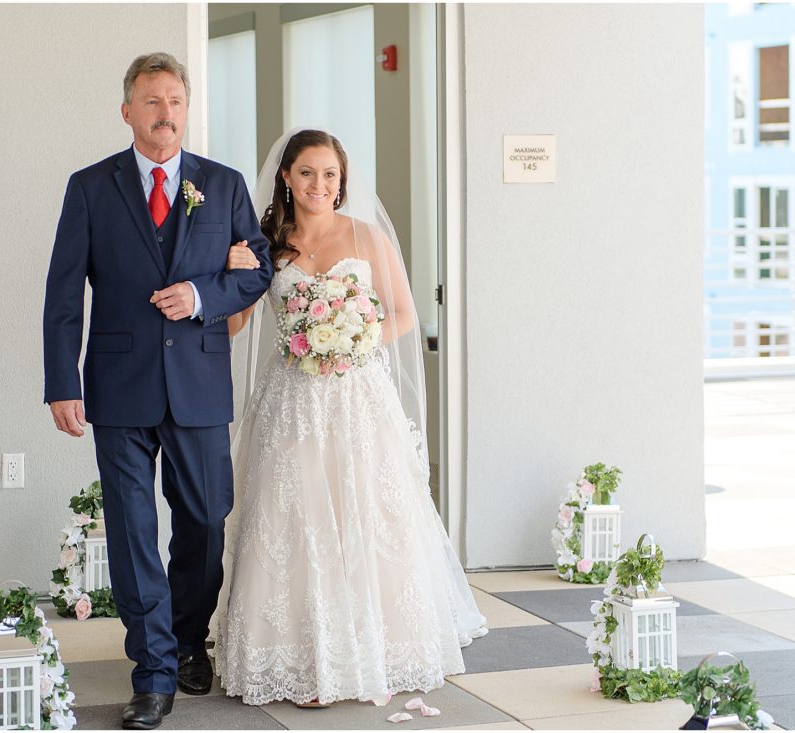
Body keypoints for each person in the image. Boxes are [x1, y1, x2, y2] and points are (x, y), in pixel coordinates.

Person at [214, 129, 487, 707]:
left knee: (363, 512)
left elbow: (404, 315)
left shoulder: (364, 236)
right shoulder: (266, 241)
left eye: (330, 174)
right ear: (286, 176)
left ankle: (374, 649)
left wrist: (353, 341)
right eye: (308, 172)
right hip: (290, 400)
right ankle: (305, 658)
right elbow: (235, 325)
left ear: (342, 181)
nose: (320, 185)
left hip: (357, 398)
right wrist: (232, 269)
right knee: (297, 516)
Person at [42, 52, 272, 730]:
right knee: (134, 530)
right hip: (117, 384)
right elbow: (62, 294)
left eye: (174, 99)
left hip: (199, 380)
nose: (165, 112)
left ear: (185, 107)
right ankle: (154, 671)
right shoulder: (90, 187)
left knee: (205, 519)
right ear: (127, 111)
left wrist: (203, 292)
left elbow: (255, 270)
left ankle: (187, 631)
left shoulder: (222, 185)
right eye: (151, 100)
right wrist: (61, 381)